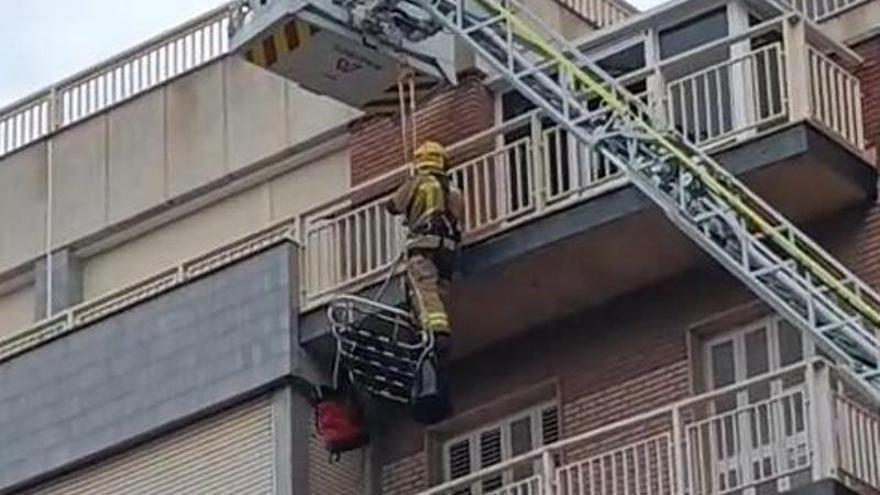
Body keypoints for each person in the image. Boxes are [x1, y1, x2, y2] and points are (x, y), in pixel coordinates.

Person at [386, 140, 463, 361]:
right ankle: (431, 330)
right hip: (448, 250)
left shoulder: (418, 182)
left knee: (424, 288)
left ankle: (436, 334)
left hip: (424, 245)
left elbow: (393, 206)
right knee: (439, 292)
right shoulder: (454, 190)